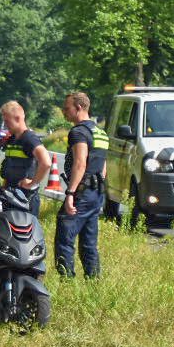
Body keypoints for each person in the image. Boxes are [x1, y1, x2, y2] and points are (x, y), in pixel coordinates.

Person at [54, 91, 106, 278]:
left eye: (66, 108)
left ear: (79, 107)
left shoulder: (78, 132)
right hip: (97, 193)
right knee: (89, 242)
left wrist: (70, 193)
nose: (64, 112)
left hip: (82, 193)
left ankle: (66, 281)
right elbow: (103, 168)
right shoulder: (100, 133)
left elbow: (80, 163)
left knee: (64, 237)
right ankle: (93, 280)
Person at [0, 100, 52, 220]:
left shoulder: (29, 138)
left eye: (7, 121)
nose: (5, 125)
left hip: (25, 199)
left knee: (25, 237)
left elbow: (46, 162)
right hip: (10, 197)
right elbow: (9, 166)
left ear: (17, 118)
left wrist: (32, 184)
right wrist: (4, 187)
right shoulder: (12, 140)